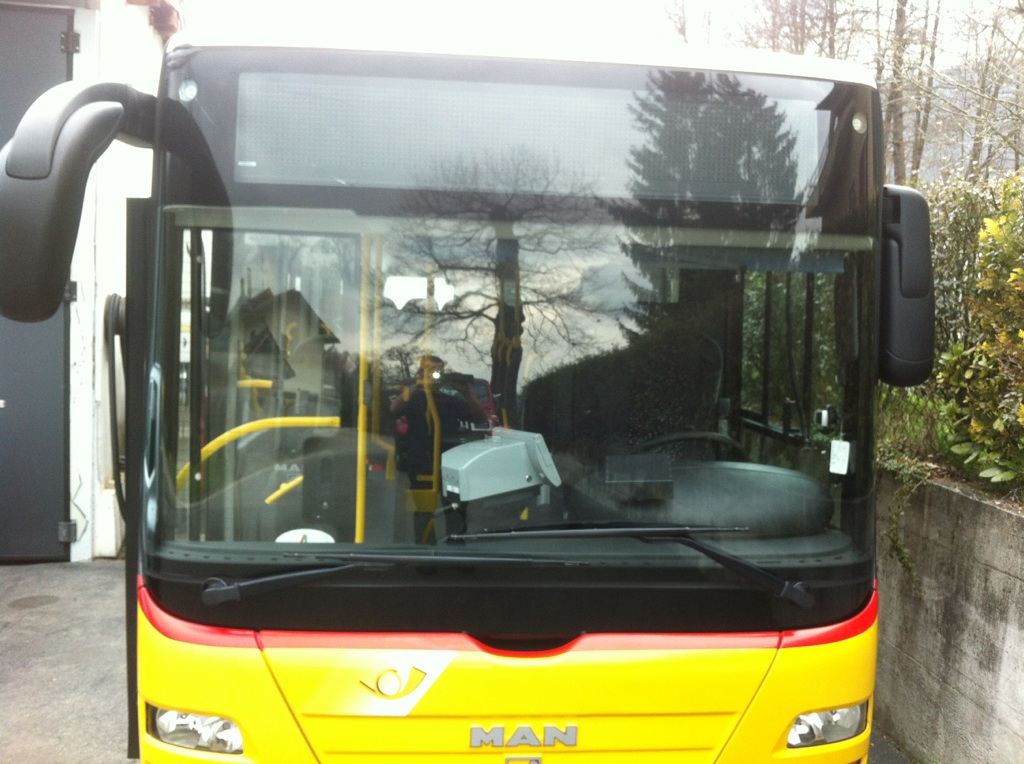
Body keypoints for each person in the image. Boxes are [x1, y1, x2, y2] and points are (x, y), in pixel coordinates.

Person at [391, 355, 489, 489]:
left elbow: (481, 418)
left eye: (437, 372)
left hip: (448, 461)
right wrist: (419, 384)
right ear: (421, 372)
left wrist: (467, 393)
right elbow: (394, 408)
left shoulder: (450, 401)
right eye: (429, 371)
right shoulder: (413, 398)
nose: (433, 376)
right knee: (423, 506)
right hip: (421, 462)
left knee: (455, 506)